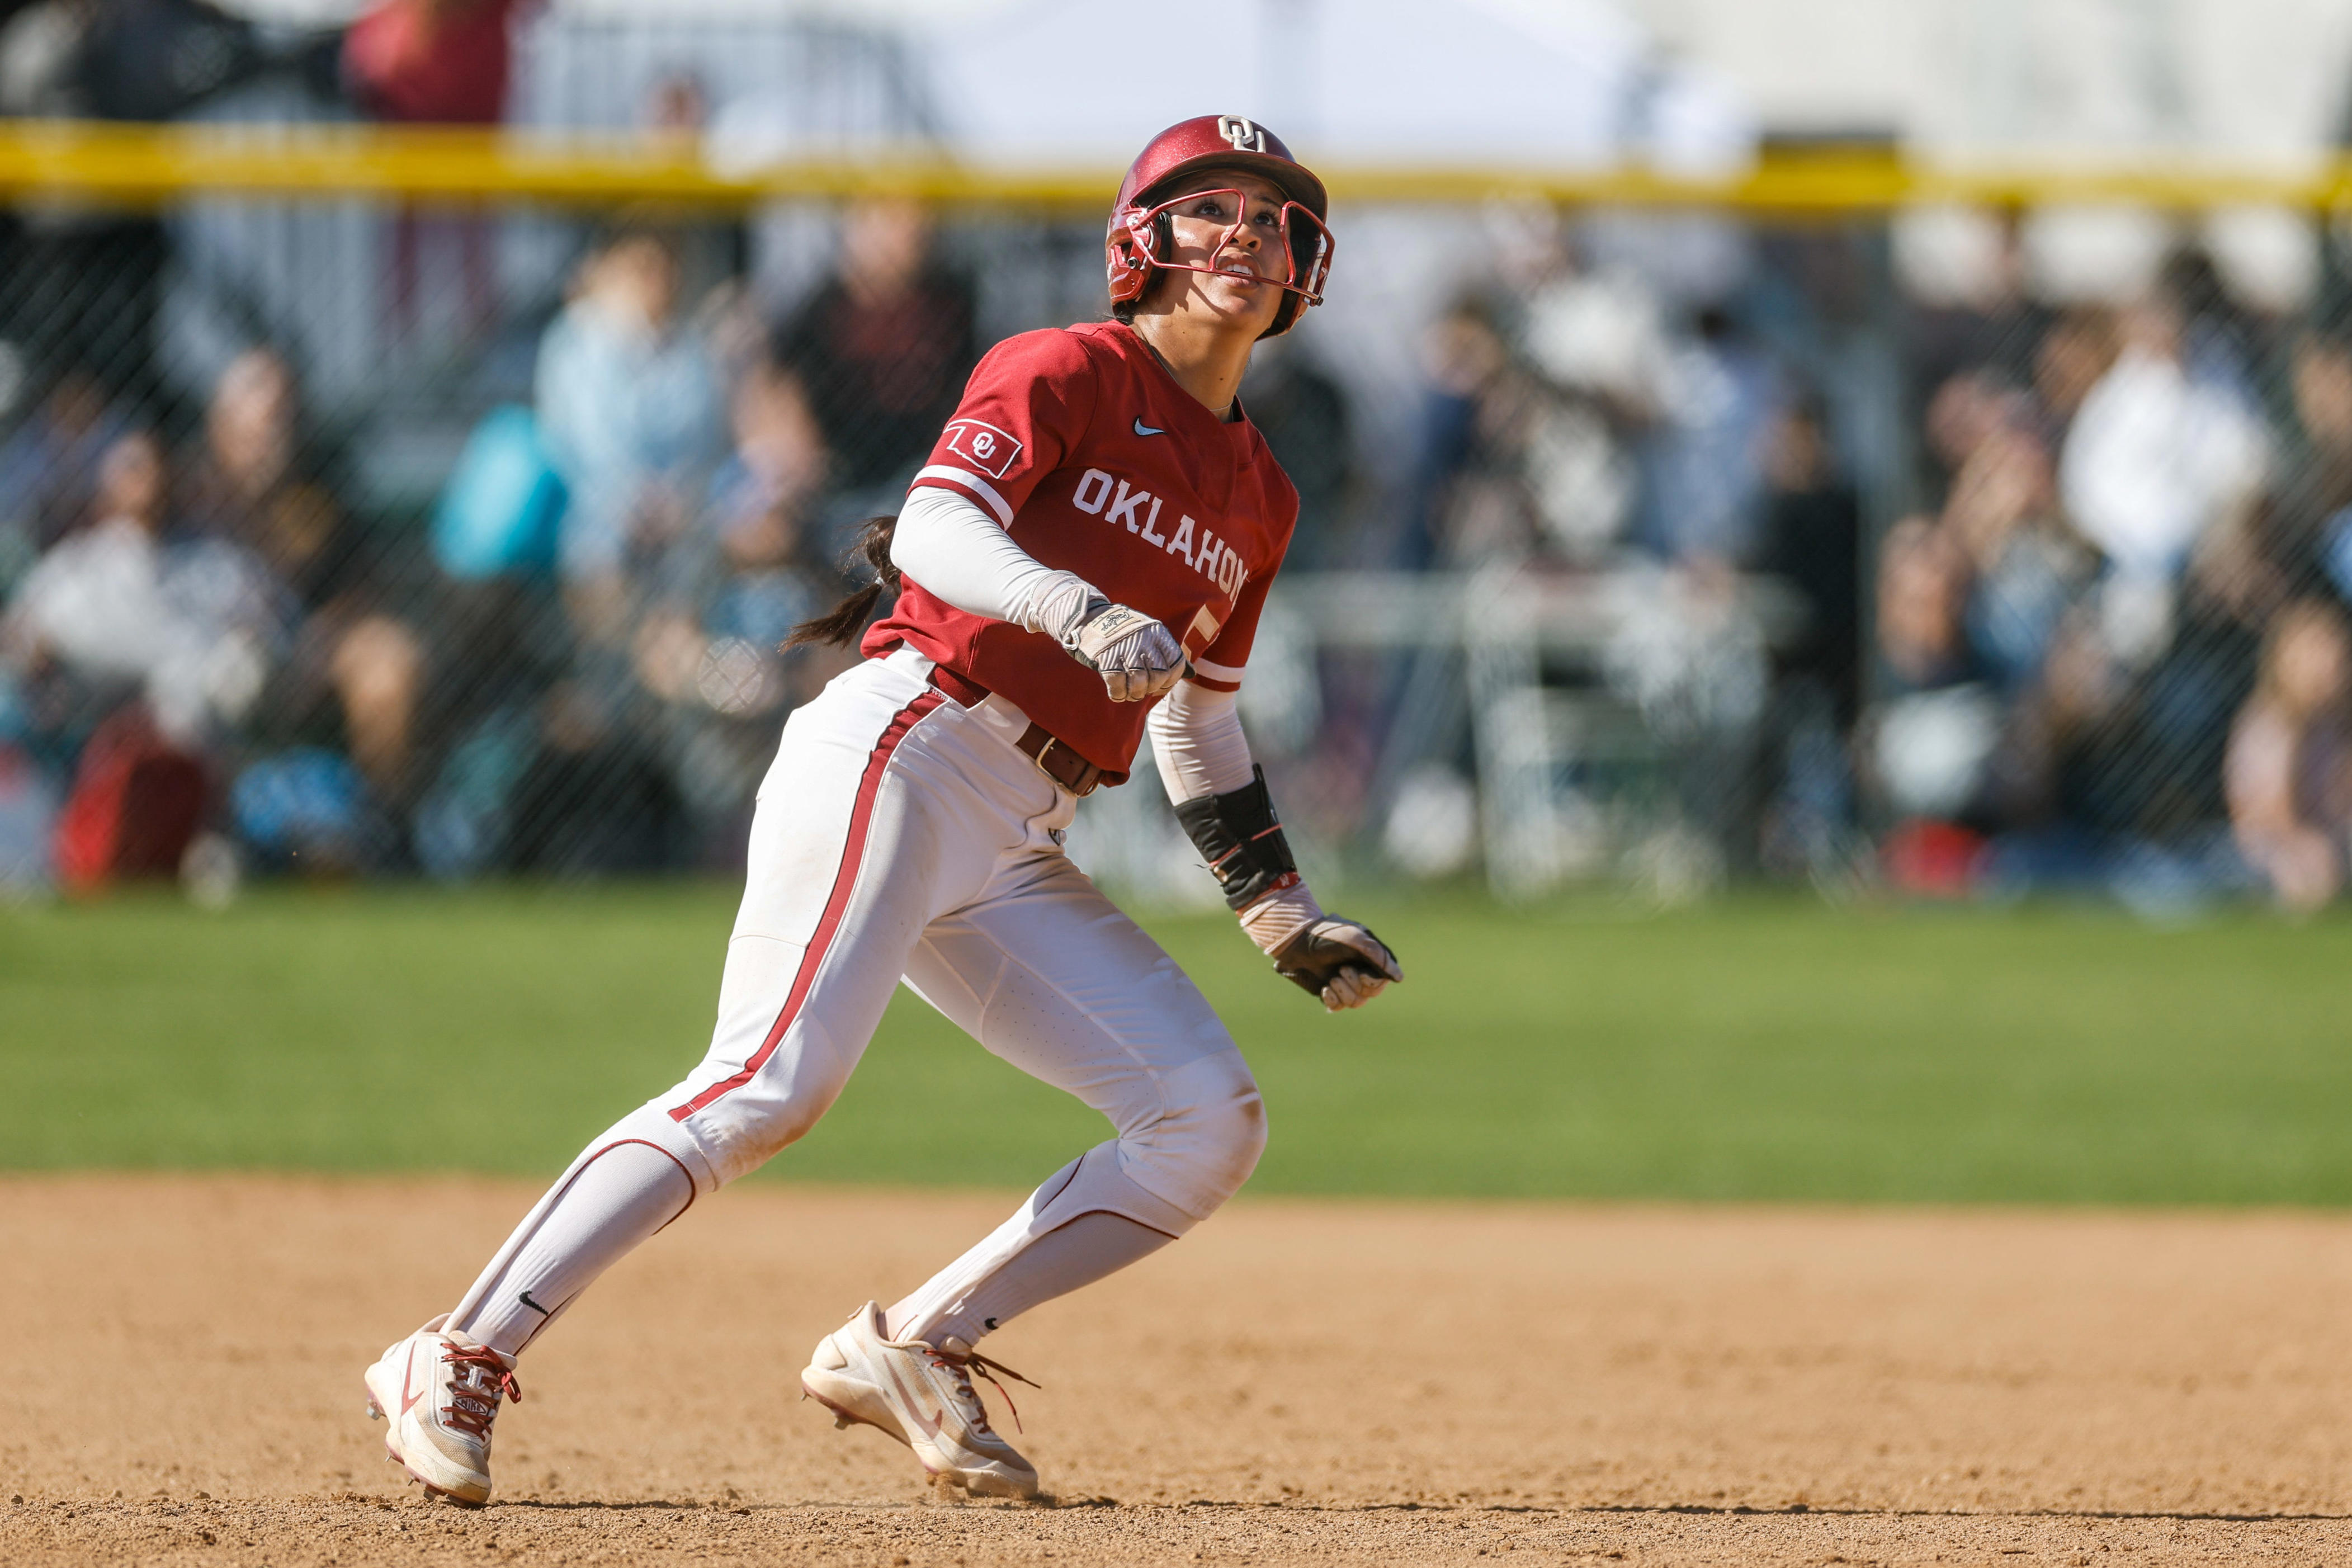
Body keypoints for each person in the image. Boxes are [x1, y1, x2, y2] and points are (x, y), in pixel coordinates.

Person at [362, 115, 1402, 1508]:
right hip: (910, 742)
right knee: (771, 1082)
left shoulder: (1259, 491)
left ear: (1305, 268)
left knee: (1206, 1116)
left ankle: (914, 1346)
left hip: (1024, 829)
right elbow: (934, 529)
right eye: (1213, 208)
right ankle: (454, 1350)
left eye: (1275, 220)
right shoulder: (1067, 368)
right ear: (1141, 243)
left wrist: (1280, 914)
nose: (1248, 236)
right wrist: (1076, 608)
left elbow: (1199, 716)